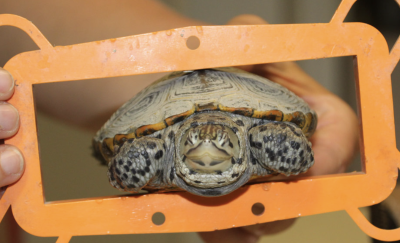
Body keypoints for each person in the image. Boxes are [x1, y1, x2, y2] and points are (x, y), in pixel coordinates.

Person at [0, 1, 359, 242]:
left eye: (220, 140)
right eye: (194, 141)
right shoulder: (159, 148)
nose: (206, 147)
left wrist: (214, 46)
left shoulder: (262, 137)